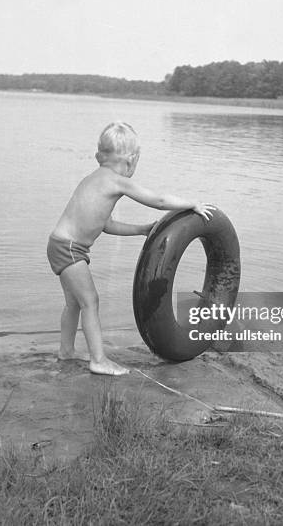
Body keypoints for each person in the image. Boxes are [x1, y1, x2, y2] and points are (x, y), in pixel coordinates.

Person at [47, 121, 214, 375]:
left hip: (60, 244)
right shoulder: (117, 181)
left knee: (74, 303)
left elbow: (106, 224)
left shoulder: (93, 179)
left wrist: (142, 229)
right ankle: (98, 360)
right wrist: (191, 204)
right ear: (131, 160)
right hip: (70, 249)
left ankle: (66, 352)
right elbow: (158, 200)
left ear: (99, 156)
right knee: (90, 301)